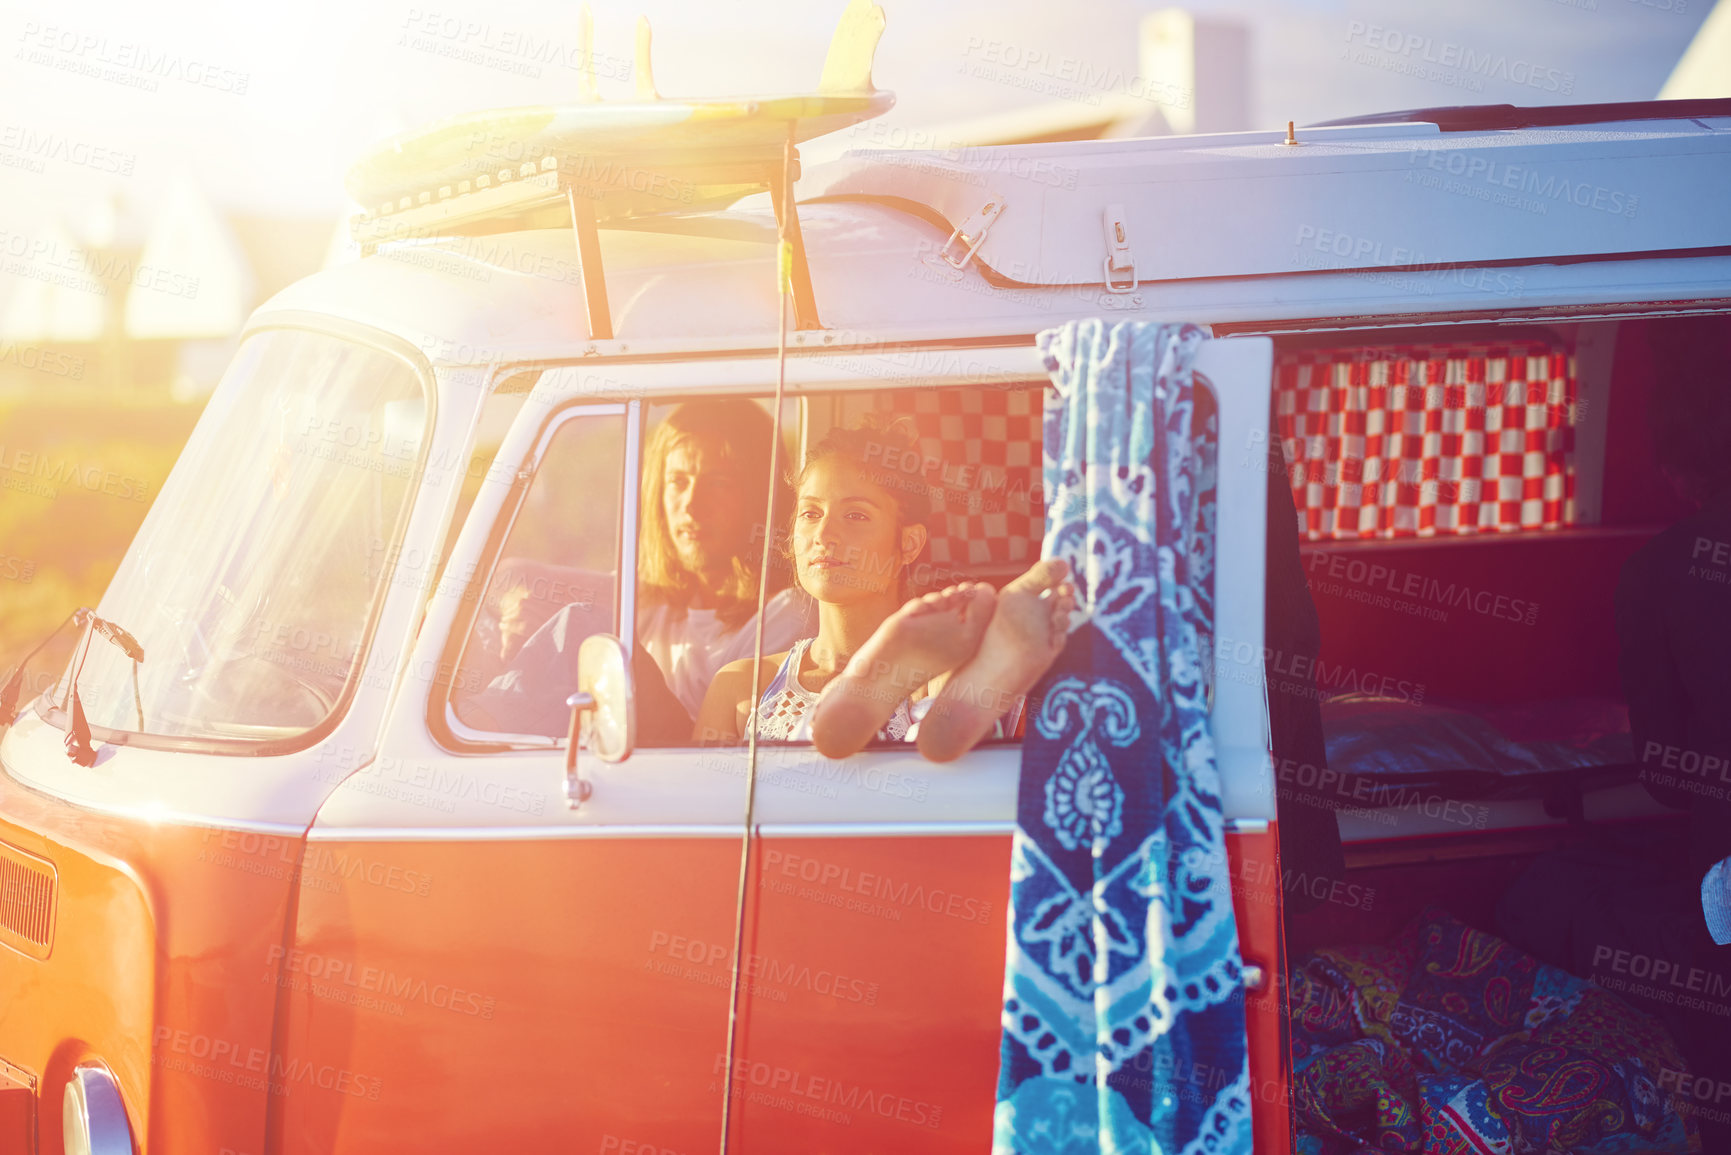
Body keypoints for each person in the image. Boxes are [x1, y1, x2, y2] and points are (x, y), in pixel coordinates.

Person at [693, 417, 1075, 759]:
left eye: (855, 515)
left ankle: (902, 709)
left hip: (891, 820)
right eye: (810, 513)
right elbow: (703, 812)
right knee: (936, 722)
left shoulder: (938, 666)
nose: (823, 534)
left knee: (941, 704)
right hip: (816, 828)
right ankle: (918, 712)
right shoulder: (738, 685)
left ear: (908, 543)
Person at [477, 399, 813, 737]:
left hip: (684, 771)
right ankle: (474, 727)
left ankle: (475, 738)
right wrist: (514, 622)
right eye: (678, 482)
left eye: (718, 483)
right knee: (485, 628)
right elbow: (512, 579)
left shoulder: (787, 613)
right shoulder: (654, 596)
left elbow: (739, 750)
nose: (692, 506)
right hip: (622, 761)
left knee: (583, 625)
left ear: (760, 495)